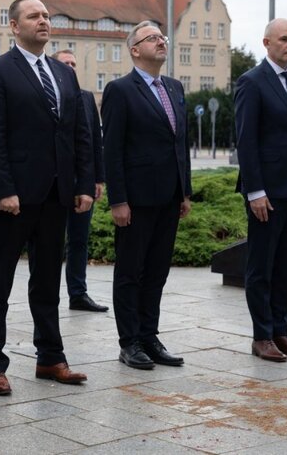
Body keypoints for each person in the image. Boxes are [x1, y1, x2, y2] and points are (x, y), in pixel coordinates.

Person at [0, 0, 94, 396]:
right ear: (14, 26)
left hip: (56, 197)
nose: (43, 21)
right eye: (34, 16)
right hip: (13, 200)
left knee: (47, 283)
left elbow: (78, 133)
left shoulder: (63, 74)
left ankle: (51, 358)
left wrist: (81, 184)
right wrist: (5, 189)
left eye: (46, 15)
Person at [102, 20, 191, 371]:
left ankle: (150, 335)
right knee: (130, 271)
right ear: (134, 49)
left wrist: (185, 192)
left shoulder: (174, 87)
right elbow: (113, 149)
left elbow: (180, 143)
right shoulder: (120, 90)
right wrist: (118, 199)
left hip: (169, 196)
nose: (161, 42)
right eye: (152, 38)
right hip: (136, 200)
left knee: (157, 271)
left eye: (162, 37)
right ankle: (130, 342)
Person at [234, 18, 287, 362]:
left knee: (286, 264)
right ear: (266, 43)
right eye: (284, 39)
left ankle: (281, 331)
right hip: (266, 191)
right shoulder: (252, 82)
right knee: (262, 265)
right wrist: (255, 191)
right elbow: (246, 140)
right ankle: (262, 335)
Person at [50, 49, 108, 313]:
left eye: (74, 63)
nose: (71, 66)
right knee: (51, 240)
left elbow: (95, 140)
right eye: (66, 63)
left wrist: (98, 178)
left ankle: (78, 293)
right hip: (53, 181)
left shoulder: (86, 97)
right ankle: (48, 294)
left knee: (79, 239)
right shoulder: (48, 94)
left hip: (82, 181)